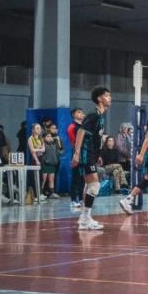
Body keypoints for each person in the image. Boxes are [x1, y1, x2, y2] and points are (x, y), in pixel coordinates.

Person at [71, 86, 112, 230]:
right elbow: (81, 132)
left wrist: (98, 155)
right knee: (95, 186)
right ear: (99, 98)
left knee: (88, 185)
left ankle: (83, 219)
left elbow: (96, 138)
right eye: (107, 95)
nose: (110, 98)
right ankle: (85, 218)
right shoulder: (93, 115)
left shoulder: (100, 116)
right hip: (85, 153)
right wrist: (76, 154)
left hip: (91, 154)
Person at [67, 108, 84, 208]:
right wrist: (77, 154)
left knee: (83, 177)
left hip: (85, 153)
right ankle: (73, 199)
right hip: (77, 153)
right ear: (73, 114)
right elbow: (74, 142)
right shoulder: (72, 127)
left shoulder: (84, 126)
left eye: (82, 113)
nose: (81, 114)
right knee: (75, 177)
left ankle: (81, 198)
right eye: (79, 112)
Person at [27, 123, 47, 202]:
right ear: (33, 130)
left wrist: (37, 149)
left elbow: (43, 150)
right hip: (34, 159)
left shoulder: (41, 138)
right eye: (37, 128)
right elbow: (32, 151)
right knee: (34, 177)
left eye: (40, 128)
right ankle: (34, 195)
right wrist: (37, 160)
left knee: (41, 177)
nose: (39, 130)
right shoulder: (30, 139)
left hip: (41, 158)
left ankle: (40, 193)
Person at [42, 131, 63, 199]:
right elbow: (41, 154)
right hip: (45, 164)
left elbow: (59, 151)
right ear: (44, 138)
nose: (50, 138)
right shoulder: (43, 144)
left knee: (51, 179)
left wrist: (58, 141)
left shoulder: (54, 144)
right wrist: (45, 160)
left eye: (50, 136)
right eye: (47, 136)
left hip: (52, 163)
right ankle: (40, 193)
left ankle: (52, 193)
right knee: (43, 179)